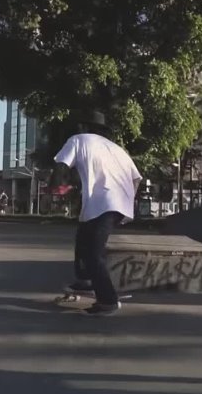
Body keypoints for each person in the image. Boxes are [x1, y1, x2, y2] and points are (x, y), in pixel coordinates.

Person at [50, 110, 143, 316]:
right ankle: (85, 281)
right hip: (116, 204)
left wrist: (57, 186)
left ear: (84, 127)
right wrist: (128, 200)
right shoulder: (117, 149)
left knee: (93, 252)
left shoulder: (78, 139)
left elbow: (61, 165)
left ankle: (108, 300)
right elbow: (137, 178)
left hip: (104, 203)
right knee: (83, 238)